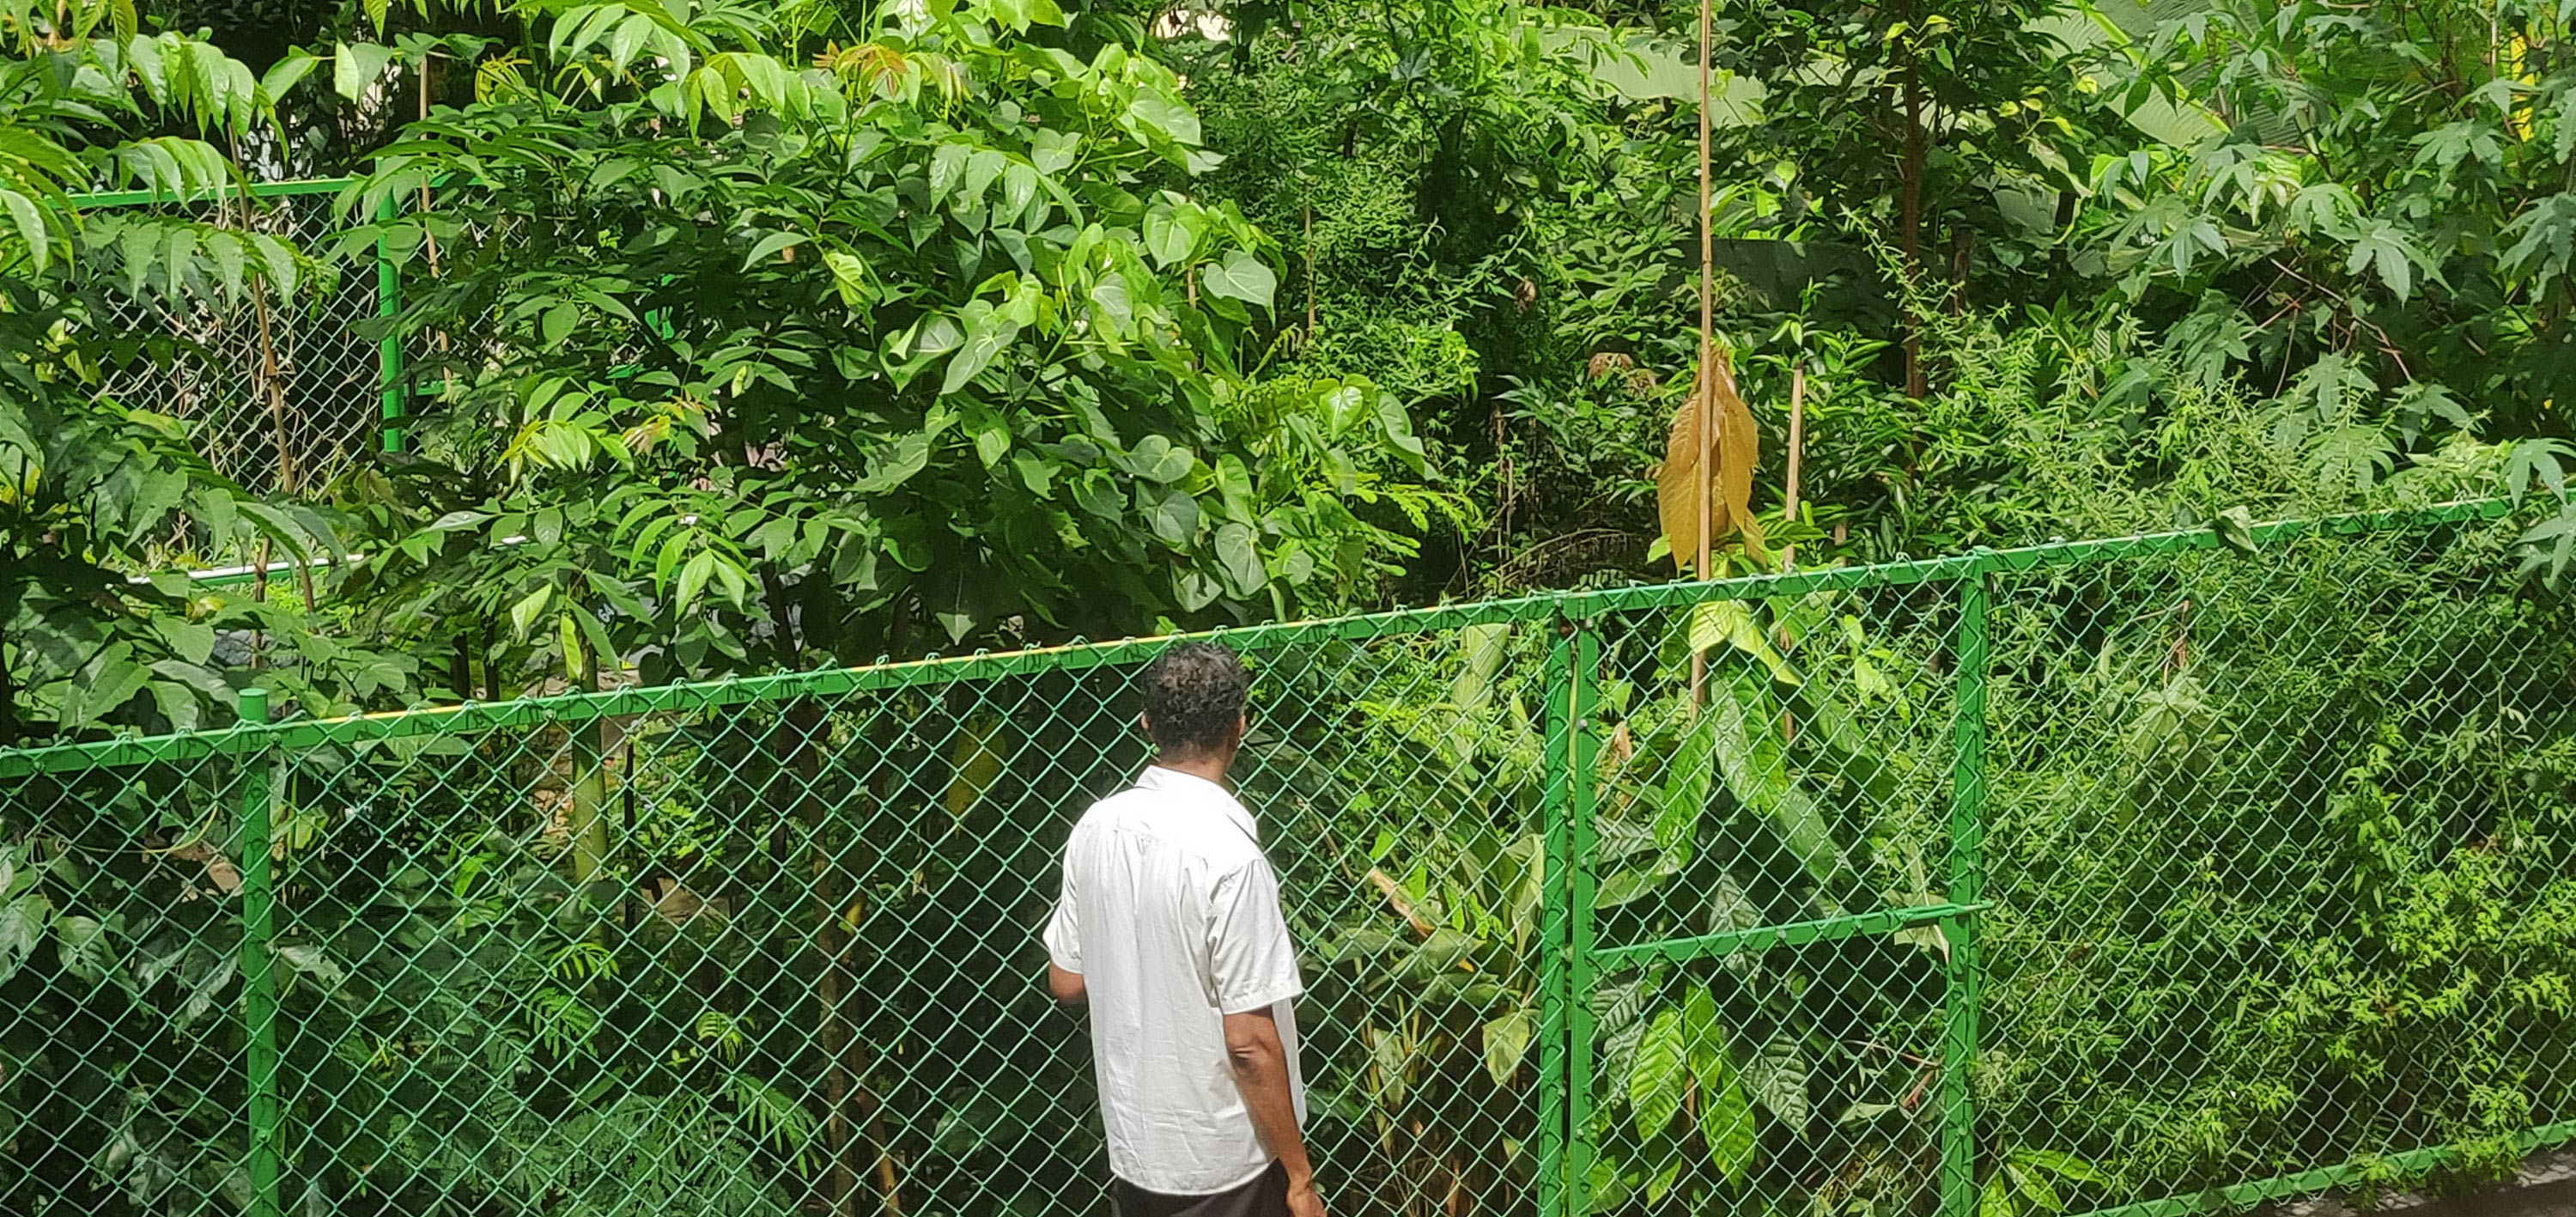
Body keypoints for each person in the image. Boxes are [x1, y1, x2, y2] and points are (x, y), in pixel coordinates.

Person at [1043, 642, 1324, 1217]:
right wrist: (1298, 1176)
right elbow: (1248, 1041)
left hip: (1136, 1150)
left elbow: (1066, 981)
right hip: (1228, 1161)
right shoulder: (1230, 855)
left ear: (1148, 724)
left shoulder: (1096, 827)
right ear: (1238, 725)